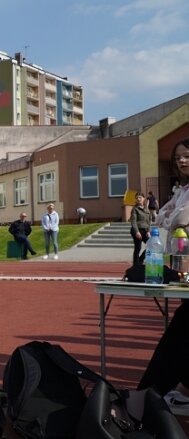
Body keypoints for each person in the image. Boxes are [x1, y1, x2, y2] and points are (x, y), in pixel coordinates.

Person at [137, 137, 189, 411]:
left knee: (183, 328)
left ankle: (157, 393)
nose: (182, 160)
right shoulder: (181, 191)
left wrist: (174, 217)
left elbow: (176, 220)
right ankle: (166, 391)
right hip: (182, 263)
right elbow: (160, 219)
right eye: (178, 156)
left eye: (187, 155)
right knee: (183, 325)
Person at [129, 192, 151, 266]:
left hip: (145, 231)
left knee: (151, 245)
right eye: (137, 198)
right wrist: (137, 232)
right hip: (137, 230)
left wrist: (148, 231)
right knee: (138, 248)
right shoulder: (135, 209)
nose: (138, 199)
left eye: (140, 197)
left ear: (143, 199)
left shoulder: (147, 210)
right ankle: (135, 265)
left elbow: (149, 222)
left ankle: (140, 260)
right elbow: (133, 221)